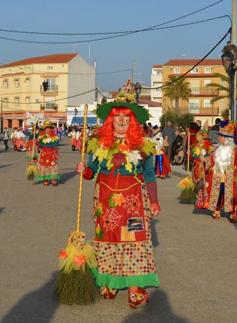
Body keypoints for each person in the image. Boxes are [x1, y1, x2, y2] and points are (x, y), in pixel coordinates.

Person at [77, 91, 160, 309]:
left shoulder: (144, 146)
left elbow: (150, 175)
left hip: (134, 203)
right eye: (117, 117)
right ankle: (109, 281)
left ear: (132, 122)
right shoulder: (98, 145)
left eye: (126, 118)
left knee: (134, 238)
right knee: (108, 239)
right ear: (110, 120)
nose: (121, 121)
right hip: (105, 203)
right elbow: (90, 173)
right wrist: (83, 170)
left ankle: (135, 286)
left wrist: (153, 201)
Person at [205, 120, 237, 222]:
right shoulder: (216, 148)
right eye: (219, 136)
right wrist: (206, 162)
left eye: (221, 136)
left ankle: (233, 212)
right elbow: (211, 161)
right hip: (217, 176)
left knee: (232, 195)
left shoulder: (234, 150)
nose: (218, 138)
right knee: (219, 193)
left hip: (230, 177)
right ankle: (217, 210)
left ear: (227, 139)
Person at [36, 120, 60, 186]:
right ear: (44, 129)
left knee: (53, 166)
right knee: (44, 166)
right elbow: (38, 144)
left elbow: (57, 144)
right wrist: (37, 141)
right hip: (44, 154)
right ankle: (45, 179)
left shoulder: (55, 137)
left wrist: (56, 151)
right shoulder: (40, 137)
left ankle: (53, 179)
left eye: (49, 128)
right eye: (46, 128)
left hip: (52, 153)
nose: (48, 129)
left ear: (52, 129)